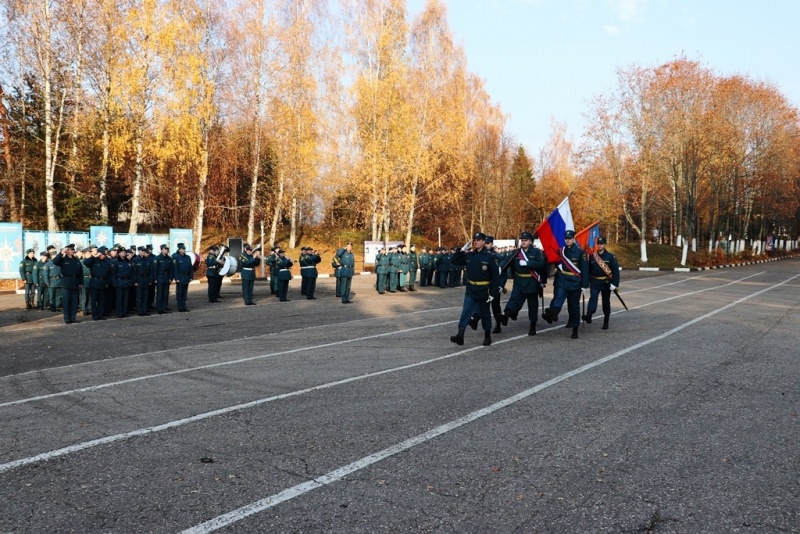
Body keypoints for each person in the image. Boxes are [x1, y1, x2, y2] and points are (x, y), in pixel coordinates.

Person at [449, 232, 500, 346]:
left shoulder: (490, 257)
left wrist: (493, 293)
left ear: (483, 242)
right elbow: (454, 261)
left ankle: (487, 336)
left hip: (484, 289)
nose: (475, 241)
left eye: (478, 240)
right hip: (471, 289)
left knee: (485, 314)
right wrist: (461, 250)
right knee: (465, 312)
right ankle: (460, 335)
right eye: (474, 240)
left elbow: (495, 277)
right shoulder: (469, 255)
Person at [542, 230, 589, 339]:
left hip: (575, 282)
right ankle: (553, 314)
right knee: (557, 298)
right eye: (566, 238)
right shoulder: (561, 250)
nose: (567, 240)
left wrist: (584, 285)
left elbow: (585, 270)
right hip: (562, 279)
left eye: (569, 238)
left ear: (573, 239)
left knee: (574, 306)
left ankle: (575, 328)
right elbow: (551, 259)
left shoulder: (580, 252)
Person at [501, 232, 549, 336]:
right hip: (519, 281)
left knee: (532, 305)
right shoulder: (516, 252)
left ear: (530, 242)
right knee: (514, 299)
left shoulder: (536, 252)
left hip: (531, 281)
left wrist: (528, 263)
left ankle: (533, 325)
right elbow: (506, 261)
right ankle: (506, 315)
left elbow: (541, 265)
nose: (523, 242)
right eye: (522, 240)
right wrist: (499, 268)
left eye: (525, 240)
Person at [583, 236, 620, 330]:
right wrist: (585, 283)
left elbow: (615, 271)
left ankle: (606, 320)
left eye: (601, 244)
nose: (599, 245)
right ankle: (589, 315)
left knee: (606, 302)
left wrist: (615, 284)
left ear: (604, 244)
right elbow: (588, 271)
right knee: (593, 298)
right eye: (598, 244)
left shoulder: (611, 256)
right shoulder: (592, 256)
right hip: (595, 281)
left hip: (606, 282)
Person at [52, 244, 83, 324]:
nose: (73, 251)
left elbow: (80, 272)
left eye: (73, 250)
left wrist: (81, 282)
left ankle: (73, 318)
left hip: (75, 282)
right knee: (66, 302)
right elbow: (55, 261)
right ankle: (67, 319)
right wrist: (61, 253)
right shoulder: (63, 259)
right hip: (66, 282)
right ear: (67, 251)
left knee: (74, 302)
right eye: (71, 250)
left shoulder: (76, 260)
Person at [83, 246, 112, 320]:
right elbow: (86, 263)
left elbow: (109, 273)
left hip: (103, 282)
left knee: (102, 300)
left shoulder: (106, 262)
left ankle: (100, 314)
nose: (103, 256)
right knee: (94, 300)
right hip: (95, 282)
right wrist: (94, 256)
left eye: (104, 254)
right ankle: (94, 315)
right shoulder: (94, 261)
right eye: (102, 254)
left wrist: (107, 282)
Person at [133, 246, 155, 316]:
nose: (144, 252)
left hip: (146, 279)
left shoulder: (148, 260)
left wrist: (150, 280)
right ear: (139, 252)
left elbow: (151, 271)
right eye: (142, 251)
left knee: (145, 297)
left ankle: (144, 310)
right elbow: (134, 272)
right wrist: (135, 281)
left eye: (144, 251)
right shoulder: (136, 260)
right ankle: (140, 311)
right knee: (139, 297)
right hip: (139, 279)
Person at [112, 247, 134, 318]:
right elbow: (114, 274)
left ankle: (124, 312)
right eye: (122, 252)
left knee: (125, 299)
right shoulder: (116, 262)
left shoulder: (127, 262)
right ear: (119, 253)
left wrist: (130, 281)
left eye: (124, 252)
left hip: (126, 282)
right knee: (119, 299)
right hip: (119, 282)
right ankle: (119, 312)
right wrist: (115, 283)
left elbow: (130, 273)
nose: (124, 253)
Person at [172, 243, 193, 312]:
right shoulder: (176, 257)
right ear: (179, 249)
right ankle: (180, 307)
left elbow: (190, 268)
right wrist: (177, 278)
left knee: (184, 293)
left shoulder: (187, 257)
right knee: (180, 293)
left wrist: (191, 276)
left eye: (184, 249)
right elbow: (175, 269)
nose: (184, 250)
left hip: (186, 276)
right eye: (183, 249)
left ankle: (184, 307)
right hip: (180, 277)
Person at [155, 244, 173, 314]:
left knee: (165, 294)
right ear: (161, 250)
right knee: (160, 294)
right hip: (160, 277)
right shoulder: (158, 258)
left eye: (167, 249)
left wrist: (171, 278)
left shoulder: (169, 259)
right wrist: (155, 279)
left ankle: (164, 307)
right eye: (165, 249)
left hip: (167, 277)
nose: (166, 250)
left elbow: (171, 269)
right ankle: (159, 308)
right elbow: (155, 269)